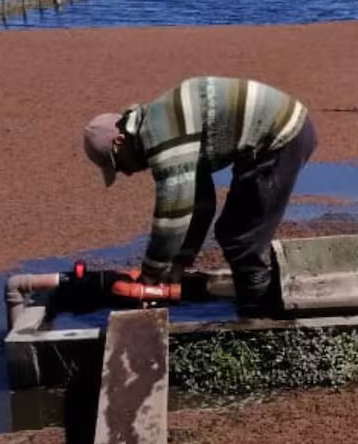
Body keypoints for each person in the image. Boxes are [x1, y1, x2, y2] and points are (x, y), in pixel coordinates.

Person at [82, 76, 317, 318]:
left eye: (118, 165)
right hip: (267, 138)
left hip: (283, 134)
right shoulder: (162, 125)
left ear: (120, 142)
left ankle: (258, 318)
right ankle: (254, 303)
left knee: (241, 237)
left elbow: (173, 214)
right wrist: (181, 262)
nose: (127, 173)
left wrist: (151, 273)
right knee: (232, 230)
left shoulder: (162, 135)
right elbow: (200, 204)